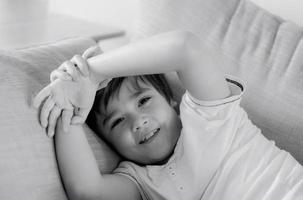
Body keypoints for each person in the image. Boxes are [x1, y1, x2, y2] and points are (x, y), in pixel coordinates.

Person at [33, 31, 303, 200]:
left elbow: (186, 48)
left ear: (172, 101)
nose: (138, 121)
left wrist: (93, 72)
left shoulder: (211, 117)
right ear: (109, 142)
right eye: (117, 122)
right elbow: (87, 192)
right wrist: (67, 102)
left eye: (144, 100)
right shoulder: (140, 181)